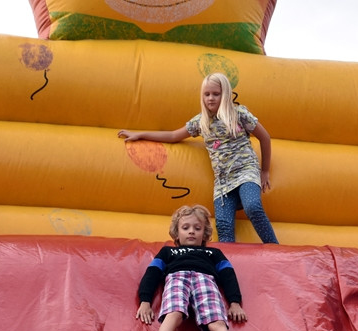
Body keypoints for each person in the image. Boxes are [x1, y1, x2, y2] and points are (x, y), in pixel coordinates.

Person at [118, 72, 279, 245]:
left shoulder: (239, 114)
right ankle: (228, 266)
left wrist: (265, 170)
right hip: (223, 182)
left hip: (246, 171)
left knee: (252, 207)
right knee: (223, 226)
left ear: (225, 94)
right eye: (207, 94)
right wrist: (140, 134)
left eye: (216, 94)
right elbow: (174, 135)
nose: (211, 98)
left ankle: (274, 248)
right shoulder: (201, 122)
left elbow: (265, 138)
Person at [136, 204, 257, 331]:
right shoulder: (168, 251)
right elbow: (152, 273)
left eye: (197, 228)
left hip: (205, 280)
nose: (191, 231)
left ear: (205, 233)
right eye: (185, 228)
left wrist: (234, 302)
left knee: (217, 321)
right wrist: (145, 300)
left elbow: (228, 275)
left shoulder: (213, 253)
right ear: (177, 233)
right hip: (178, 277)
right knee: (174, 313)